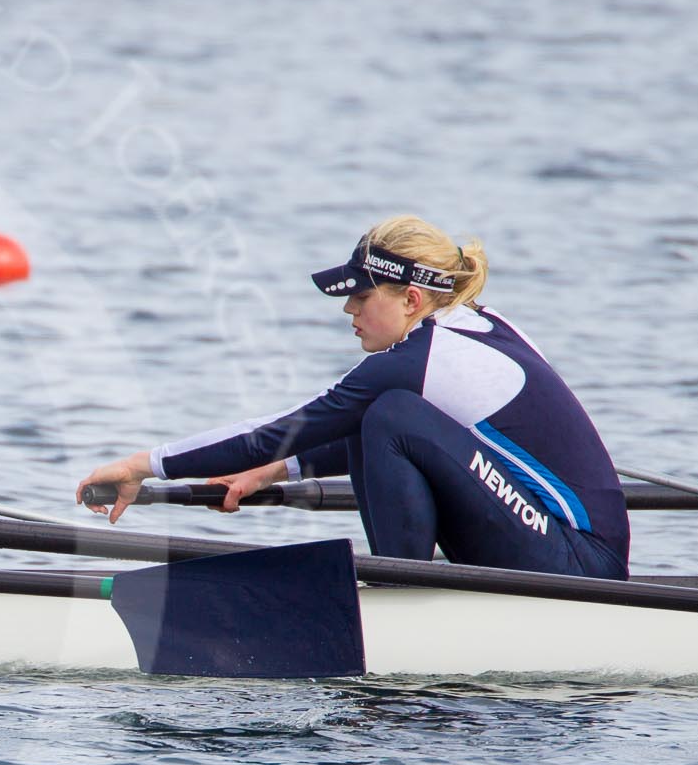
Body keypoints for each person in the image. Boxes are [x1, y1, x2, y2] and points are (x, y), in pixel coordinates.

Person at [74, 215, 629, 579]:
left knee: (387, 410)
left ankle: (404, 590)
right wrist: (272, 474)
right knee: (386, 416)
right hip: (568, 547)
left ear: (411, 299)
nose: (349, 311)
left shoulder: (422, 362)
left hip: (579, 565)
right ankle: (405, 581)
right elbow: (399, 443)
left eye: (362, 297)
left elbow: (278, 431)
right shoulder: (480, 327)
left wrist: (142, 465)